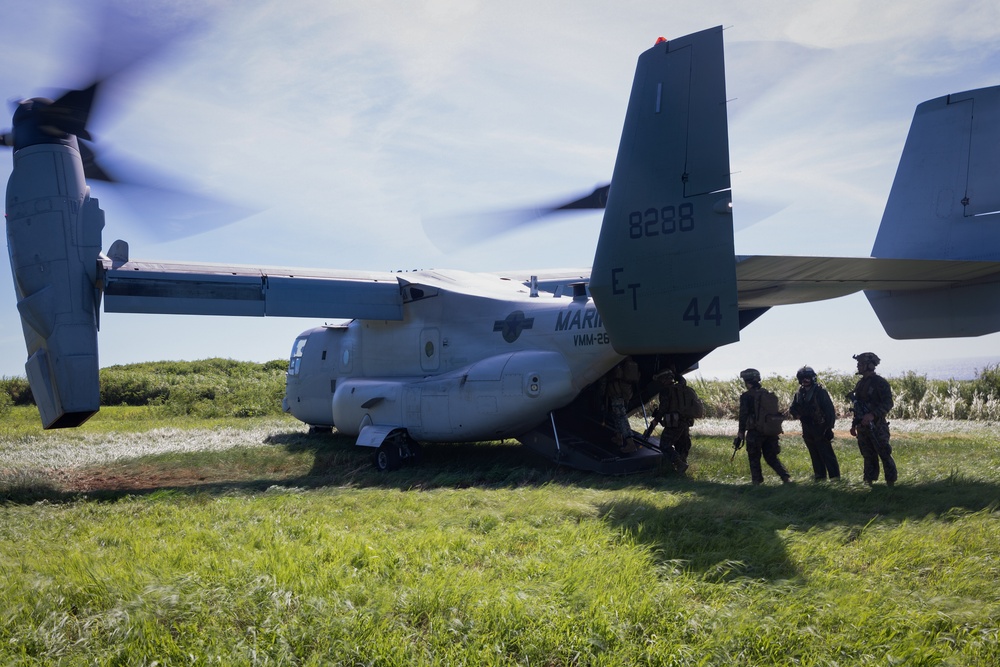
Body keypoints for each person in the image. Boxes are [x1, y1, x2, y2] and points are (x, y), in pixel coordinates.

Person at [736, 368, 792, 485]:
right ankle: (785, 477)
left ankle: (757, 482)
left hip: (755, 432)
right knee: (771, 457)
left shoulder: (747, 396)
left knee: (754, 458)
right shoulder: (766, 394)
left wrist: (741, 432)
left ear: (747, 381)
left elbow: (743, 415)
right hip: (770, 431)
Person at [848, 352, 897, 487]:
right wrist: (854, 424)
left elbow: (888, 403)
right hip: (862, 427)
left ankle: (891, 483)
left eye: (861, 364)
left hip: (877, 426)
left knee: (884, 453)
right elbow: (857, 406)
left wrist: (873, 415)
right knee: (868, 456)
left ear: (869, 365)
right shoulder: (860, 384)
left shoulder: (880, 383)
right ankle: (869, 482)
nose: (858, 366)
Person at [644, 368, 704, 472]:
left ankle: (678, 464)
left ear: (664, 379)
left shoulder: (666, 391)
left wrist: (656, 420)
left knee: (664, 445)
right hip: (685, 423)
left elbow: (663, 408)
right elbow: (682, 380)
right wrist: (675, 372)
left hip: (674, 423)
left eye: (661, 380)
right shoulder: (682, 386)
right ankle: (681, 469)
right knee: (682, 446)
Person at [788, 365, 840, 481]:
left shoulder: (820, 392)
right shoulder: (799, 394)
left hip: (821, 427)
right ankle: (820, 477)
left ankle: (835, 478)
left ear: (812, 378)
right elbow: (792, 408)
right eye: (802, 378)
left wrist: (829, 428)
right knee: (814, 454)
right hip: (807, 428)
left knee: (827, 454)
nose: (805, 380)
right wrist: (799, 416)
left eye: (807, 377)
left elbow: (830, 411)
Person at [602, 358, 640, 453]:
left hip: (616, 392)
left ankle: (630, 443)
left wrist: (601, 394)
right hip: (625, 392)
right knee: (617, 416)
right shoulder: (625, 363)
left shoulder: (613, 363)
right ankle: (619, 438)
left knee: (621, 418)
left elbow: (606, 380)